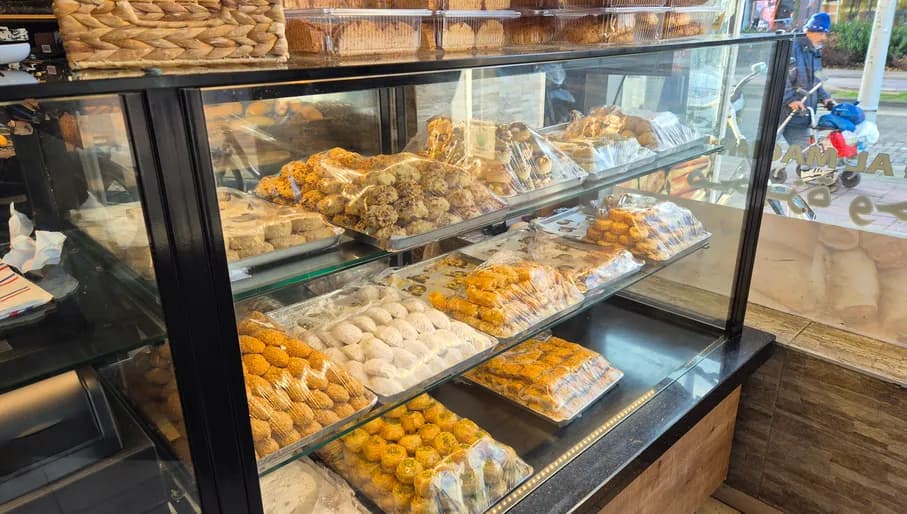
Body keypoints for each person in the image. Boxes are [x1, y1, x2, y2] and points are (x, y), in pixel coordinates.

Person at [782, 12, 836, 147]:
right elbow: (781, 76)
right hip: (783, 112)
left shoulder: (815, 51)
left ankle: (805, 167)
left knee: (805, 152)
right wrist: (790, 99)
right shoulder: (792, 48)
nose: (824, 37)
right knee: (764, 150)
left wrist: (825, 98)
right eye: (821, 33)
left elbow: (817, 79)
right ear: (811, 31)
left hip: (800, 113)